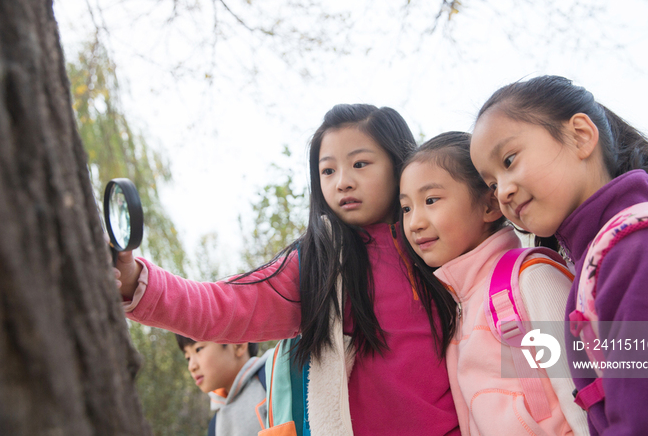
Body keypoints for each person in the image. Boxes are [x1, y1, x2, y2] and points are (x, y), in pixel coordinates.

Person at [115, 104, 460, 435]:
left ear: (398, 163)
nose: (342, 182)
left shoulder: (448, 244)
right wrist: (136, 283)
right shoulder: (319, 266)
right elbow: (225, 305)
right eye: (328, 170)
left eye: (360, 163)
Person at [469, 75, 648, 435]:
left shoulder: (640, 251)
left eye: (509, 160)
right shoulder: (604, 254)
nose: (503, 192)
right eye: (492, 184)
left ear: (581, 136)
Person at [399, 131, 588, 436]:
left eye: (431, 200)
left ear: (489, 205)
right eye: (406, 207)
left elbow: (581, 395)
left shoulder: (532, 278)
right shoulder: (460, 305)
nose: (415, 222)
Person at [176, 336, 269, 436]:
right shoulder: (214, 427)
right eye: (188, 358)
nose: (191, 366)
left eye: (198, 349)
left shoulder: (272, 383)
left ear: (238, 345)